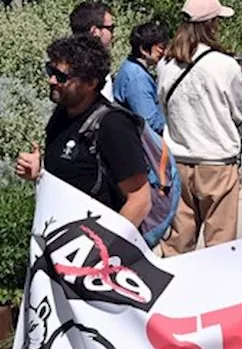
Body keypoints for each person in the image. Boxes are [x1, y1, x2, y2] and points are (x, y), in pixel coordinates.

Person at [15, 36, 151, 225]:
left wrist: (104, 249)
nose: (51, 80)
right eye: (50, 70)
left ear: (91, 83)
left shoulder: (113, 125)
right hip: (61, 239)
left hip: (99, 246)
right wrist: (38, 174)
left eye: (62, 76)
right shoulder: (62, 115)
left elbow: (140, 200)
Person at [155, 0, 242, 253]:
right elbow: (240, 111)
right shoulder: (225, 65)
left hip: (179, 159)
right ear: (211, 24)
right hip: (217, 161)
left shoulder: (166, 64)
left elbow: (164, 106)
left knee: (176, 244)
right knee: (220, 245)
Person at [113, 21, 168, 135]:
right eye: (161, 48)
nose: (164, 53)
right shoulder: (137, 78)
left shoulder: (132, 69)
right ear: (144, 49)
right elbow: (150, 123)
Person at [70, 0, 115, 98]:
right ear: (95, 31)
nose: (114, 35)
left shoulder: (66, 65)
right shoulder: (93, 68)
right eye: (110, 28)